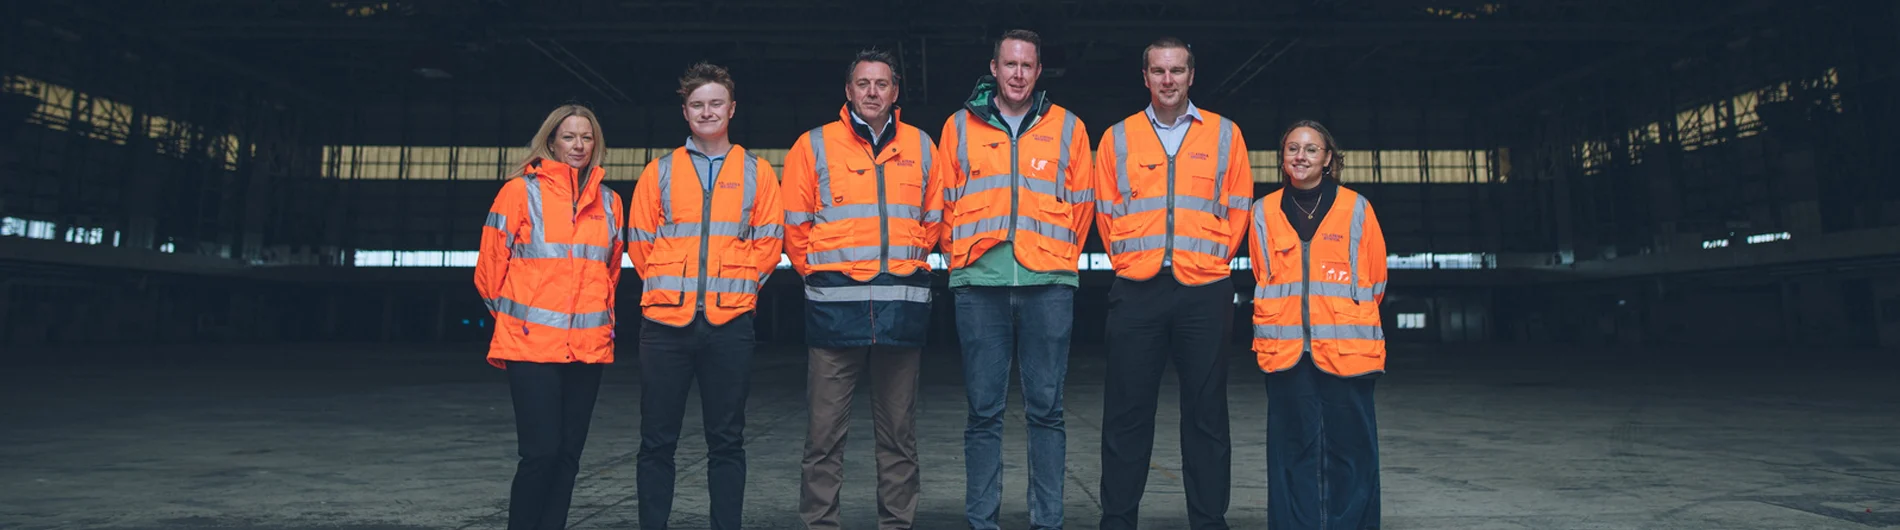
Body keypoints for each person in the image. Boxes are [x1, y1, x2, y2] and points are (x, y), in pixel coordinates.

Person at [1092, 36, 1253, 530]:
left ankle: (1209, 520)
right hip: (1137, 289)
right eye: (1159, 71)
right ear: (1145, 77)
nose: (1168, 80)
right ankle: (1118, 520)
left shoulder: (1225, 135)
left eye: (1177, 70)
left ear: (1191, 76)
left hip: (1204, 290)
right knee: (1126, 413)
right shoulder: (1117, 138)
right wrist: (1131, 260)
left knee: (1207, 413)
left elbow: (1239, 209)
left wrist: (1210, 261)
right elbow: (1105, 212)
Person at [936, 28, 1094, 530]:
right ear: (994, 68)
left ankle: (1047, 521)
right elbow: (943, 203)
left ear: (1039, 71)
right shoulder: (958, 127)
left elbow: (1084, 205)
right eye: (1010, 64)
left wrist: (1058, 257)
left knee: (1046, 410)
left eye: (1027, 65)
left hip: (1048, 284)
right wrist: (961, 262)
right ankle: (982, 521)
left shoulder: (1069, 127)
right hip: (979, 285)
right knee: (983, 412)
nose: (1018, 74)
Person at [781, 47, 945, 530]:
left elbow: (933, 222)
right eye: (863, 83)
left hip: (900, 311)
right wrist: (822, 277)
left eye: (881, 84)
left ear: (895, 92)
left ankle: (896, 524)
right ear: (848, 90)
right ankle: (820, 524)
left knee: (899, 437)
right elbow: (795, 229)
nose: (872, 92)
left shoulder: (922, 146)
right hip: (834, 313)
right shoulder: (812, 146)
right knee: (823, 437)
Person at [624, 62, 783, 530]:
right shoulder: (659, 171)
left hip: (729, 325)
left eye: (716, 103)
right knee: (656, 441)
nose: (707, 111)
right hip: (664, 326)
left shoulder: (757, 172)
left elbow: (769, 243)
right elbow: (640, 243)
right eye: (697, 104)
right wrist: (672, 286)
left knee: (727, 441)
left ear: (732, 109)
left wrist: (735, 287)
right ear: (685, 112)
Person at [473, 103, 622, 530]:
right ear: (551, 142)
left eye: (586, 137)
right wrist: (518, 321)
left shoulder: (610, 202)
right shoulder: (519, 193)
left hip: (586, 349)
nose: (578, 145)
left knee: (569, 455)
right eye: (569, 136)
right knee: (540, 453)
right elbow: (489, 272)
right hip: (531, 347)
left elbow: (609, 272)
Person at [1247, 120, 1388, 529]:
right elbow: (1263, 274)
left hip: (1348, 351)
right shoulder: (1263, 212)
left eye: (1311, 149)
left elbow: (1376, 279)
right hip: (1286, 352)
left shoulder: (1357, 208)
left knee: (1353, 452)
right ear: (1282, 157)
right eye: (1293, 148)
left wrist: (1342, 319)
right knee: (1290, 453)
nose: (1301, 156)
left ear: (1328, 159)